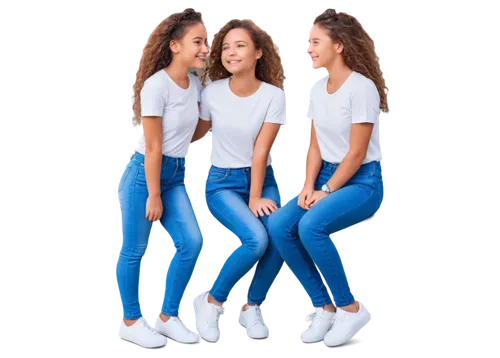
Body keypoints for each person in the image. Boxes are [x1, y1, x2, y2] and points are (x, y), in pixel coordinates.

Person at [267, 7, 390, 347]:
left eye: (316, 41)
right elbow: (317, 140)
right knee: (279, 226)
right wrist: (307, 186)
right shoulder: (317, 87)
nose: (309, 48)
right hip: (326, 175)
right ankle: (325, 306)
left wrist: (326, 189)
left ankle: (351, 309)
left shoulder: (361, 88)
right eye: (309, 42)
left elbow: (356, 151)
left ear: (339, 45)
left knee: (310, 227)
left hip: (363, 180)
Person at [113, 6, 210, 349]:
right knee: (135, 248)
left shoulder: (196, 84)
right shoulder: (157, 86)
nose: (205, 48)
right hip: (145, 174)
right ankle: (130, 322)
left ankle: (167, 317)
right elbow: (153, 145)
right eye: (197, 41)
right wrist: (153, 193)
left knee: (192, 242)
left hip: (175, 173)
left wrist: (211, 108)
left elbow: (193, 135)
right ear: (174, 45)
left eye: (206, 41)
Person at [189, 17, 287, 343]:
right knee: (256, 240)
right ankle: (212, 301)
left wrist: (256, 195)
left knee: (281, 235)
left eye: (240, 46)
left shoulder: (274, 96)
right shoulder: (211, 92)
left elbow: (261, 151)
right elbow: (197, 135)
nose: (231, 53)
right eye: (226, 47)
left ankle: (251, 307)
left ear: (259, 52)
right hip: (222, 183)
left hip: (263, 178)